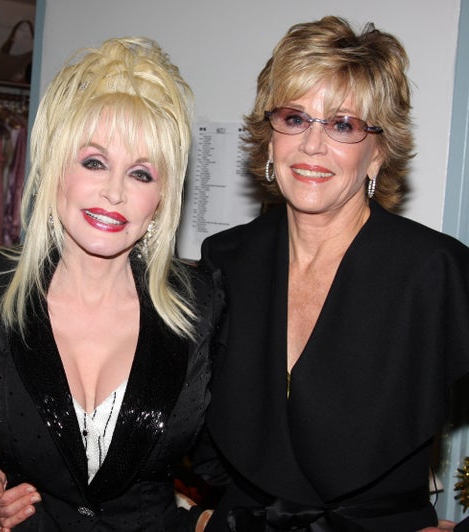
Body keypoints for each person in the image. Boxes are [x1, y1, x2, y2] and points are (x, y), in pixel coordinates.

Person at [194, 16, 469, 531]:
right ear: (270, 135)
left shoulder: (434, 272)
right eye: (295, 118)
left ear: (378, 151)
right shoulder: (225, 260)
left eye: (342, 125)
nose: (312, 146)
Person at [0, 37, 220, 531]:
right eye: (94, 162)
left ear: (160, 198)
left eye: (140, 173)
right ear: (55, 169)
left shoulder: (200, 305)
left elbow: (227, 458)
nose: (114, 192)